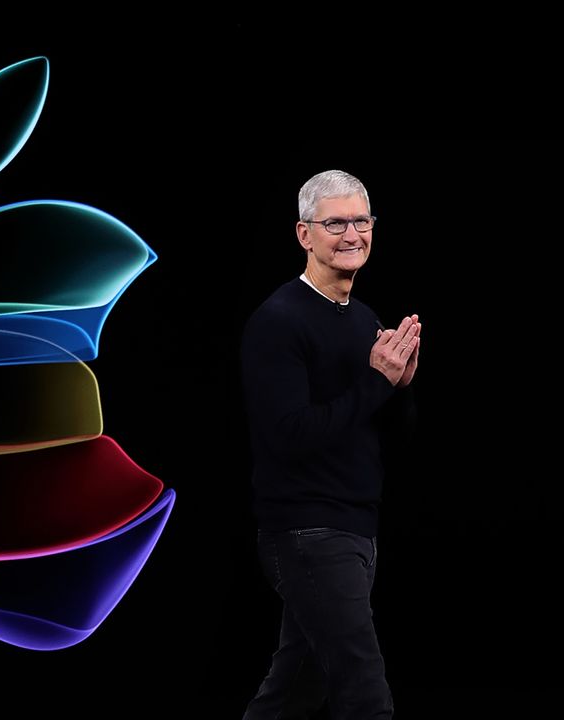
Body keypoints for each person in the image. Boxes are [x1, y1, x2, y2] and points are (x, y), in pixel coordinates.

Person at [240, 170, 418, 719]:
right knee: (365, 694)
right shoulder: (278, 321)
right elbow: (291, 436)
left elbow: (379, 431)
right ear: (304, 234)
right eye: (334, 222)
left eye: (360, 220)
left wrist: (400, 386)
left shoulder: (364, 318)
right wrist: (376, 383)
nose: (351, 234)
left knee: (293, 690)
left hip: (355, 526)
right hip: (306, 530)